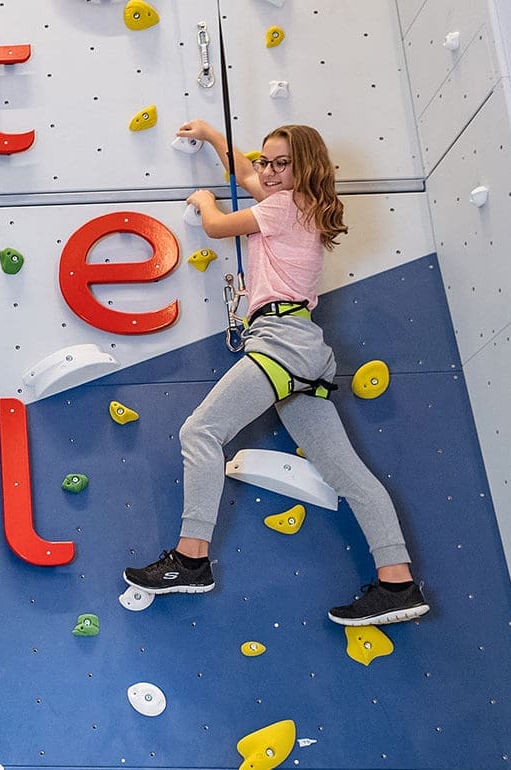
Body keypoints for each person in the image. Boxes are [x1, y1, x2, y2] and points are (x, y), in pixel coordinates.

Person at [123, 119, 431, 626]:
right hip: (301, 346)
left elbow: (219, 226)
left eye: (280, 163)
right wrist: (214, 138)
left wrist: (202, 201)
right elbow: (245, 175)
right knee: (346, 473)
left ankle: (192, 558)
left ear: (303, 167)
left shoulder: (285, 206)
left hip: (281, 343)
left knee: (199, 431)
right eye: (266, 160)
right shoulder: (292, 203)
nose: (267, 171)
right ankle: (397, 582)